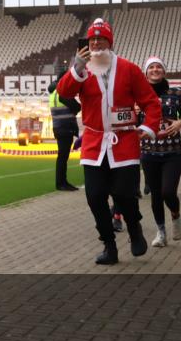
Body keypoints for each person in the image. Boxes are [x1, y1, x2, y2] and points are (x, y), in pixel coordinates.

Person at [57, 18, 161, 265]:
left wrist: (148, 127)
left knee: (124, 194)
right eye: (92, 39)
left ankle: (134, 228)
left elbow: (151, 102)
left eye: (101, 38)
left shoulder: (129, 68)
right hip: (94, 142)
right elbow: (64, 92)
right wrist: (76, 68)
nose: (96, 43)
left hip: (124, 140)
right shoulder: (82, 70)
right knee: (94, 197)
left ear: (109, 41)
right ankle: (109, 245)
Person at [139, 57, 181, 248]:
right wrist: (140, 133)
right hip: (149, 152)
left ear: (164, 71)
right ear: (146, 72)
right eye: (151, 67)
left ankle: (176, 216)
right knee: (155, 195)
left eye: (158, 67)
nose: (155, 70)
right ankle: (161, 232)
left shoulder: (175, 93)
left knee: (168, 192)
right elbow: (134, 120)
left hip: (173, 151)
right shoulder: (139, 95)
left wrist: (180, 122)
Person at [48, 71, 81, 191]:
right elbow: (77, 107)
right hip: (65, 128)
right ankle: (61, 183)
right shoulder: (63, 93)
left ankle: (61, 182)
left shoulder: (53, 93)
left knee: (62, 156)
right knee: (63, 157)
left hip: (59, 128)